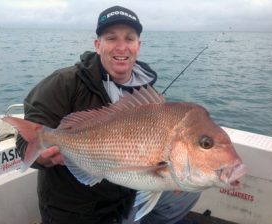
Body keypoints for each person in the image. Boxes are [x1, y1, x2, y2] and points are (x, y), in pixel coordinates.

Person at [17, 5, 200, 224]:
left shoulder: (148, 94)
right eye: (111, 38)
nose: (121, 47)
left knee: (192, 189)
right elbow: (24, 140)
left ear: (138, 46)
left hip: (125, 196)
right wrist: (42, 157)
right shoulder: (64, 82)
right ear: (97, 44)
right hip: (75, 208)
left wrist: (175, 175)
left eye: (129, 39)